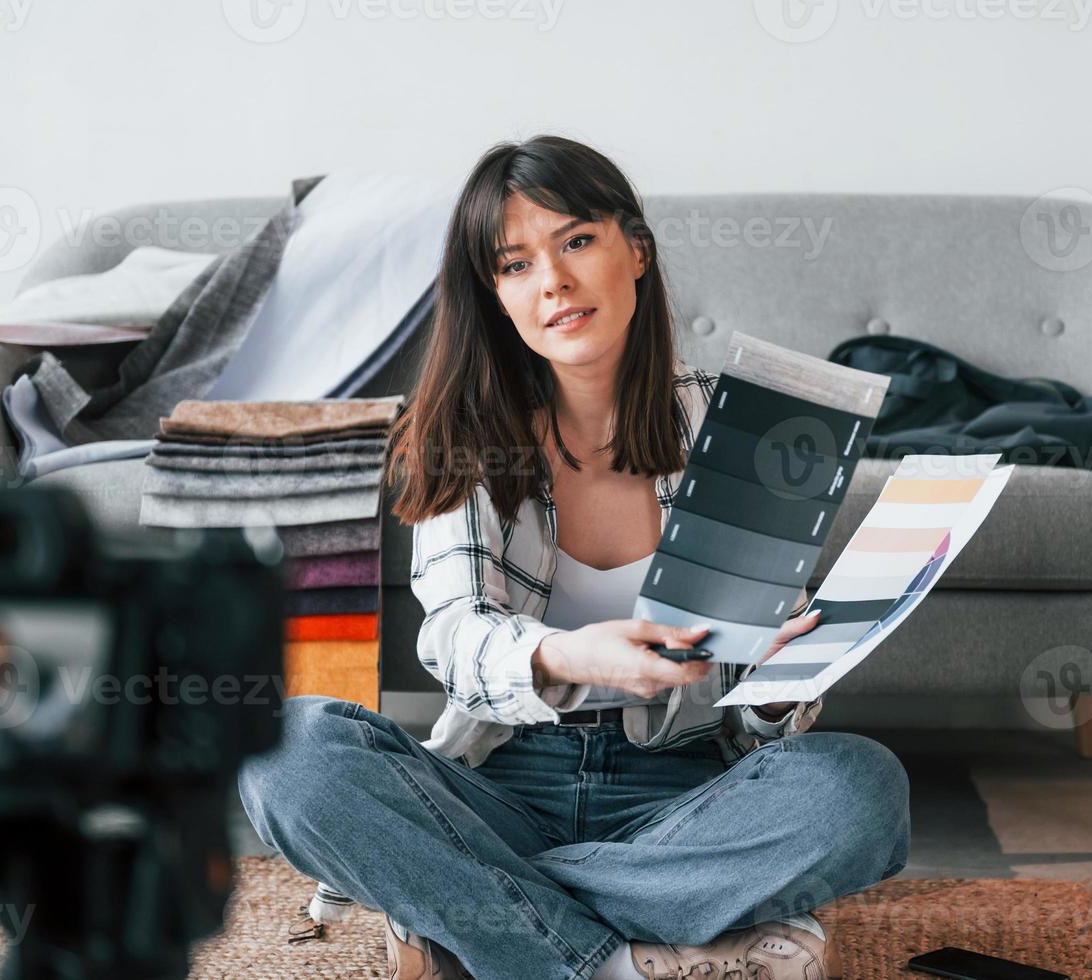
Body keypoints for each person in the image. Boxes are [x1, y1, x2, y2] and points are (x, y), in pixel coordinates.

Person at [238, 134, 911, 980]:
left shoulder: (740, 426)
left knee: (859, 790)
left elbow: (755, 713)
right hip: (500, 787)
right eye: (515, 264)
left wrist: (781, 686)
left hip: (686, 795)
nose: (552, 280)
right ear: (496, 296)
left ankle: (469, 917)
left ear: (636, 249)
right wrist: (563, 654)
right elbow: (455, 639)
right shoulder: (463, 435)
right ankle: (621, 961)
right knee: (285, 750)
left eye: (577, 241)